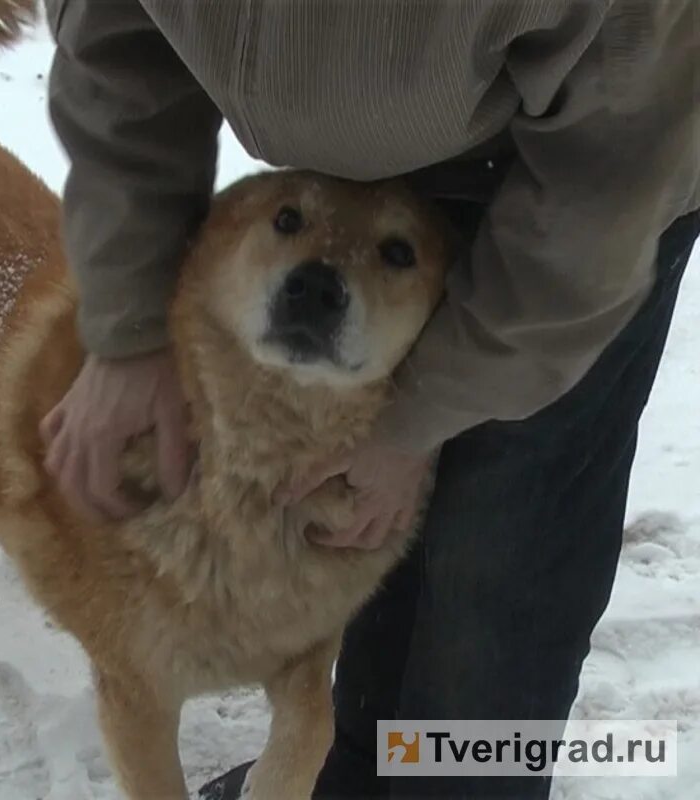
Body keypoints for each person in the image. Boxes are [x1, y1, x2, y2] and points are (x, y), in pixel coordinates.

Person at [38, 0, 700, 797]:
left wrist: (418, 418)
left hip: (597, 183)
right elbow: (120, 63)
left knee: (507, 564)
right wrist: (129, 324)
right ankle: (359, 770)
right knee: (369, 525)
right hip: (380, 169)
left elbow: (607, 185)